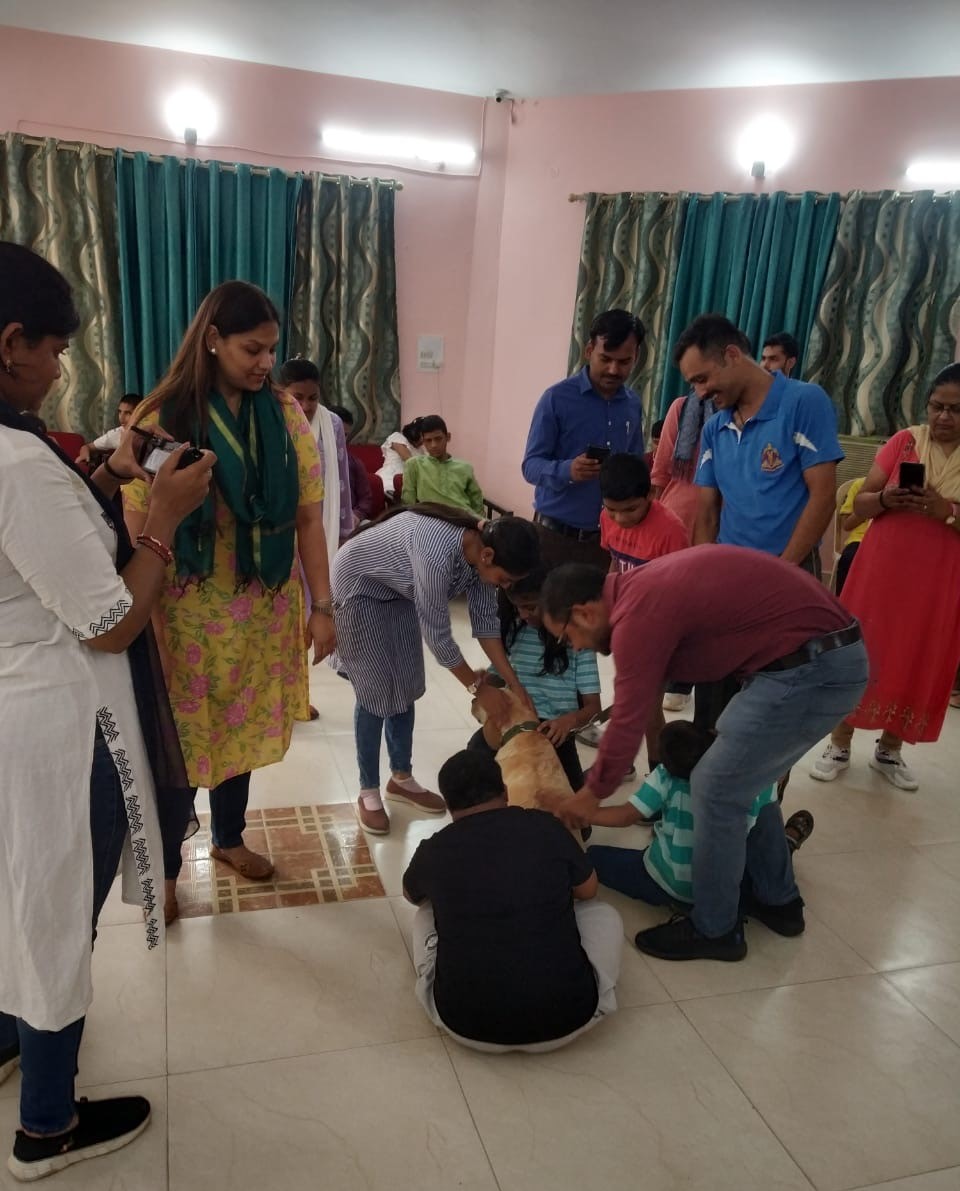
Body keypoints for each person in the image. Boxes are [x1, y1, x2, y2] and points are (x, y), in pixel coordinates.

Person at [0, 242, 215, 1180]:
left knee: (16, 892)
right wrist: (160, 518)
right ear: (12, 344)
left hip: (14, 710)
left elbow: (32, 564)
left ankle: (11, 1039)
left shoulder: (27, 461)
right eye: (51, 349)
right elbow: (109, 622)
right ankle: (46, 1123)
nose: (57, 369)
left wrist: (97, 476)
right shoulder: (18, 464)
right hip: (55, 721)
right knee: (57, 912)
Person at [538, 548, 868, 962]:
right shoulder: (641, 591)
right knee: (745, 777)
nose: (578, 647)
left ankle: (716, 930)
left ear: (583, 613)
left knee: (715, 787)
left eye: (568, 637)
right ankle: (778, 900)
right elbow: (639, 700)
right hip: (810, 660)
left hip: (811, 668)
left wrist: (588, 797)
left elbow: (627, 719)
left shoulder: (636, 615)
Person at [124, 282, 336, 923]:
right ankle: (161, 870)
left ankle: (227, 838)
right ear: (212, 339)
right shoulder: (162, 417)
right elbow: (138, 525)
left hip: (262, 608)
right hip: (183, 613)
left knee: (240, 731)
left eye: (272, 350)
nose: (265, 364)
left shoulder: (285, 415)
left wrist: (322, 605)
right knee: (182, 744)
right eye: (252, 349)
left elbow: (307, 519)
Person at [331, 503, 540, 834]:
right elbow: (438, 637)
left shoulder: (483, 558)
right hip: (360, 590)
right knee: (374, 695)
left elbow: (487, 625)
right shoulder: (437, 551)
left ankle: (401, 778)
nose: (506, 587)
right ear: (487, 556)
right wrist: (479, 688)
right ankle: (367, 791)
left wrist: (514, 685)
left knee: (407, 685)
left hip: (397, 593)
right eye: (506, 579)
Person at [681, 314, 843, 735]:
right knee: (714, 702)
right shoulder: (716, 426)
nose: (699, 393)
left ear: (732, 355)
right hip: (729, 580)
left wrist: (784, 572)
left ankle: (766, 800)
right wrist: (700, 577)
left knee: (777, 703)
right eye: (692, 385)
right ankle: (704, 794)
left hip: (788, 577)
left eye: (702, 379)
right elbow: (708, 511)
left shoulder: (803, 402)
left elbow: (824, 494)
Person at [403, 749, 622, 1052]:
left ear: (450, 807)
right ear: (505, 791)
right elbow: (588, 891)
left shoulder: (434, 849)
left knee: (426, 912)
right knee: (604, 913)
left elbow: (411, 896)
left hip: (464, 1024)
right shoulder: (546, 826)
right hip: (570, 1018)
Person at [811, 364, 960, 792]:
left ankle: (890, 749)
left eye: (955, 409)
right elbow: (859, 508)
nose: (944, 417)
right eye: (936, 406)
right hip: (884, 568)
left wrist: (945, 512)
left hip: (939, 577)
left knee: (917, 650)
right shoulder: (905, 442)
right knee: (866, 647)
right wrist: (885, 498)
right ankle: (839, 744)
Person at [546, 721, 789, 910]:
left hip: (666, 882)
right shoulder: (753, 778)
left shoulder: (666, 776)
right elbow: (767, 809)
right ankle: (788, 847)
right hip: (725, 887)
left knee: (594, 856)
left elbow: (625, 816)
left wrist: (585, 814)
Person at [579, 453, 689, 766]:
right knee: (630, 701)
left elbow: (680, 591)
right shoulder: (606, 519)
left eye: (630, 509)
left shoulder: (670, 530)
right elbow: (615, 562)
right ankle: (623, 764)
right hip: (628, 624)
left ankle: (659, 777)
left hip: (659, 630)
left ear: (650, 496)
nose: (621, 519)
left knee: (647, 708)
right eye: (612, 509)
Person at [522, 309, 644, 570]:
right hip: (554, 539)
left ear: (636, 357)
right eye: (606, 358)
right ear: (589, 350)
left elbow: (636, 466)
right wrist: (568, 470)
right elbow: (530, 466)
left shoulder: (633, 405)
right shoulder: (556, 399)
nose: (613, 369)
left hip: (608, 545)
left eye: (624, 362)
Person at [466, 567, 601, 792]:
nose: (523, 615)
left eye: (530, 607)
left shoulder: (578, 642)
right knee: (474, 772)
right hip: (509, 727)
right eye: (517, 607)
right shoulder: (515, 630)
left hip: (554, 734)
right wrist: (483, 682)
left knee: (575, 820)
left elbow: (593, 707)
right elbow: (498, 677)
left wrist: (568, 721)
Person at [278, 357, 353, 555]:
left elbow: (341, 478)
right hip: (281, 520)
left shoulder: (333, 424)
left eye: (313, 398)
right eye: (297, 397)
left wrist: (344, 530)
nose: (305, 405)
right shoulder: (272, 418)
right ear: (281, 392)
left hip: (320, 519)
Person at [401, 414, 484, 516]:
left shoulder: (465, 468)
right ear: (423, 441)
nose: (434, 445)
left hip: (464, 520)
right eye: (428, 440)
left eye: (438, 439)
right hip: (431, 521)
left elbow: (477, 505)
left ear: (448, 437)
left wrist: (481, 526)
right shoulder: (414, 465)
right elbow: (408, 503)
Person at [330, 404, 374, 528]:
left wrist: (357, 515)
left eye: (345, 435)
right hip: (320, 523)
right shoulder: (310, 463)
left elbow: (365, 499)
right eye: (336, 433)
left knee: (369, 527)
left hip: (349, 522)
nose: (340, 439)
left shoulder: (354, 463)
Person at [76, 393, 140, 466]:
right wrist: (84, 456)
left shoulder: (149, 432)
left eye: (127, 413)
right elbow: (86, 447)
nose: (121, 418)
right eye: (120, 412)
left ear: (139, 414)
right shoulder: (115, 434)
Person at [834, 476, 870, 596]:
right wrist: (873, 506)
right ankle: (842, 602)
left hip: (887, 541)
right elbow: (846, 524)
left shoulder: (901, 492)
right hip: (859, 539)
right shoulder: (860, 485)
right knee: (849, 558)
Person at [377, 417, 424, 490]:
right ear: (414, 432)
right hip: (391, 476)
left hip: (410, 479)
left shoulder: (421, 450)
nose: (423, 441)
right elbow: (410, 461)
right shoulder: (398, 437)